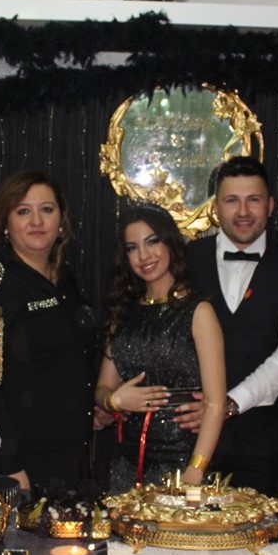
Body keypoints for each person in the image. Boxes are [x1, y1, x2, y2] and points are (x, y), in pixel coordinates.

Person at [180, 156, 278, 495]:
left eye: (253, 200)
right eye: (232, 200)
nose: (243, 211)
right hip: (187, 438)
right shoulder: (185, 260)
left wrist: (228, 404)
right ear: (215, 208)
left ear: (270, 206)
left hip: (262, 446)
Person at [0, 170, 97, 491]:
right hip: (20, 466)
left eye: (46, 209)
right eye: (23, 211)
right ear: (5, 223)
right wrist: (9, 465)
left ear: (61, 220)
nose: (37, 220)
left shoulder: (66, 279)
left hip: (72, 457)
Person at [94, 204, 226, 491]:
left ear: (170, 243)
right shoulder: (123, 313)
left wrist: (195, 470)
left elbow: (215, 403)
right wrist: (114, 400)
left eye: (152, 241)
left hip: (184, 461)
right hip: (125, 465)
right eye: (132, 248)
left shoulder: (199, 312)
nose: (144, 256)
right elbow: (102, 388)